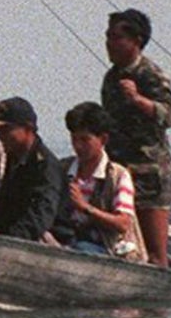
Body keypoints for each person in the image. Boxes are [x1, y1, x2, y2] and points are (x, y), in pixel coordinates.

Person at [101, 7, 171, 267]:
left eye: (116, 37)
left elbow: (169, 115)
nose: (109, 43)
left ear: (136, 41)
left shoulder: (151, 74)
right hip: (120, 173)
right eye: (108, 36)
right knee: (123, 248)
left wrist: (138, 100)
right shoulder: (111, 78)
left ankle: (158, 307)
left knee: (155, 255)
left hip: (149, 174)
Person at [51, 102, 144, 261]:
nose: (78, 146)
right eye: (74, 139)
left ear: (103, 139)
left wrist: (85, 207)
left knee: (80, 249)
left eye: (85, 140)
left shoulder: (117, 176)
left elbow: (123, 223)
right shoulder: (63, 169)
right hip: (65, 239)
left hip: (105, 247)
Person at [0, 97, 66, 243]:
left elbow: (42, 213)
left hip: (44, 239)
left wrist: (10, 240)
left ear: (28, 129)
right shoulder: (14, 157)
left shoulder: (45, 165)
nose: (0, 136)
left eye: (6, 130)